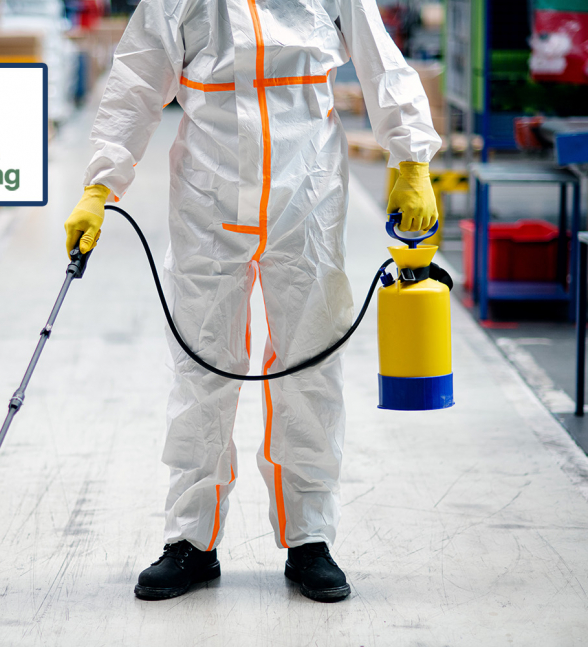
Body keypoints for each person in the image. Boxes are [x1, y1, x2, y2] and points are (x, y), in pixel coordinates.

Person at [65, 0, 440, 602]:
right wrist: (100, 185)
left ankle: (310, 539)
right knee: (200, 366)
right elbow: (136, 81)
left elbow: (382, 66)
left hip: (307, 193)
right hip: (208, 195)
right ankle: (191, 540)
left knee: (310, 366)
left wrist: (412, 157)